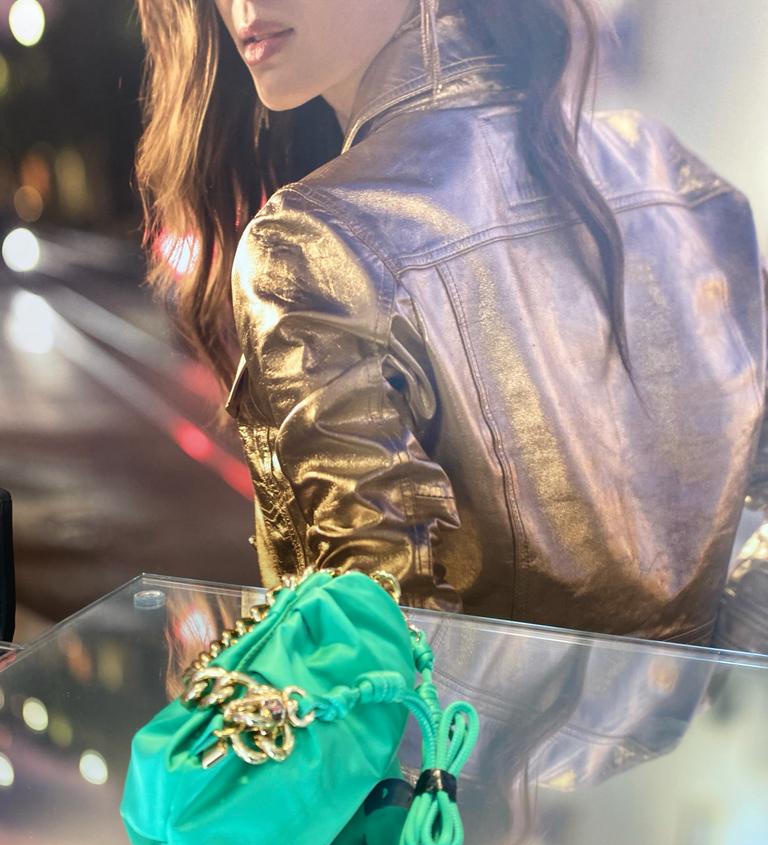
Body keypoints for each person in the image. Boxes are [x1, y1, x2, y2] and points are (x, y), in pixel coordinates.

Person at [132, 0, 767, 643]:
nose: (243, 5)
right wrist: (723, 662)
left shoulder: (314, 241)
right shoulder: (670, 174)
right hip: (690, 711)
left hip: (467, 716)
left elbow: (379, 652)